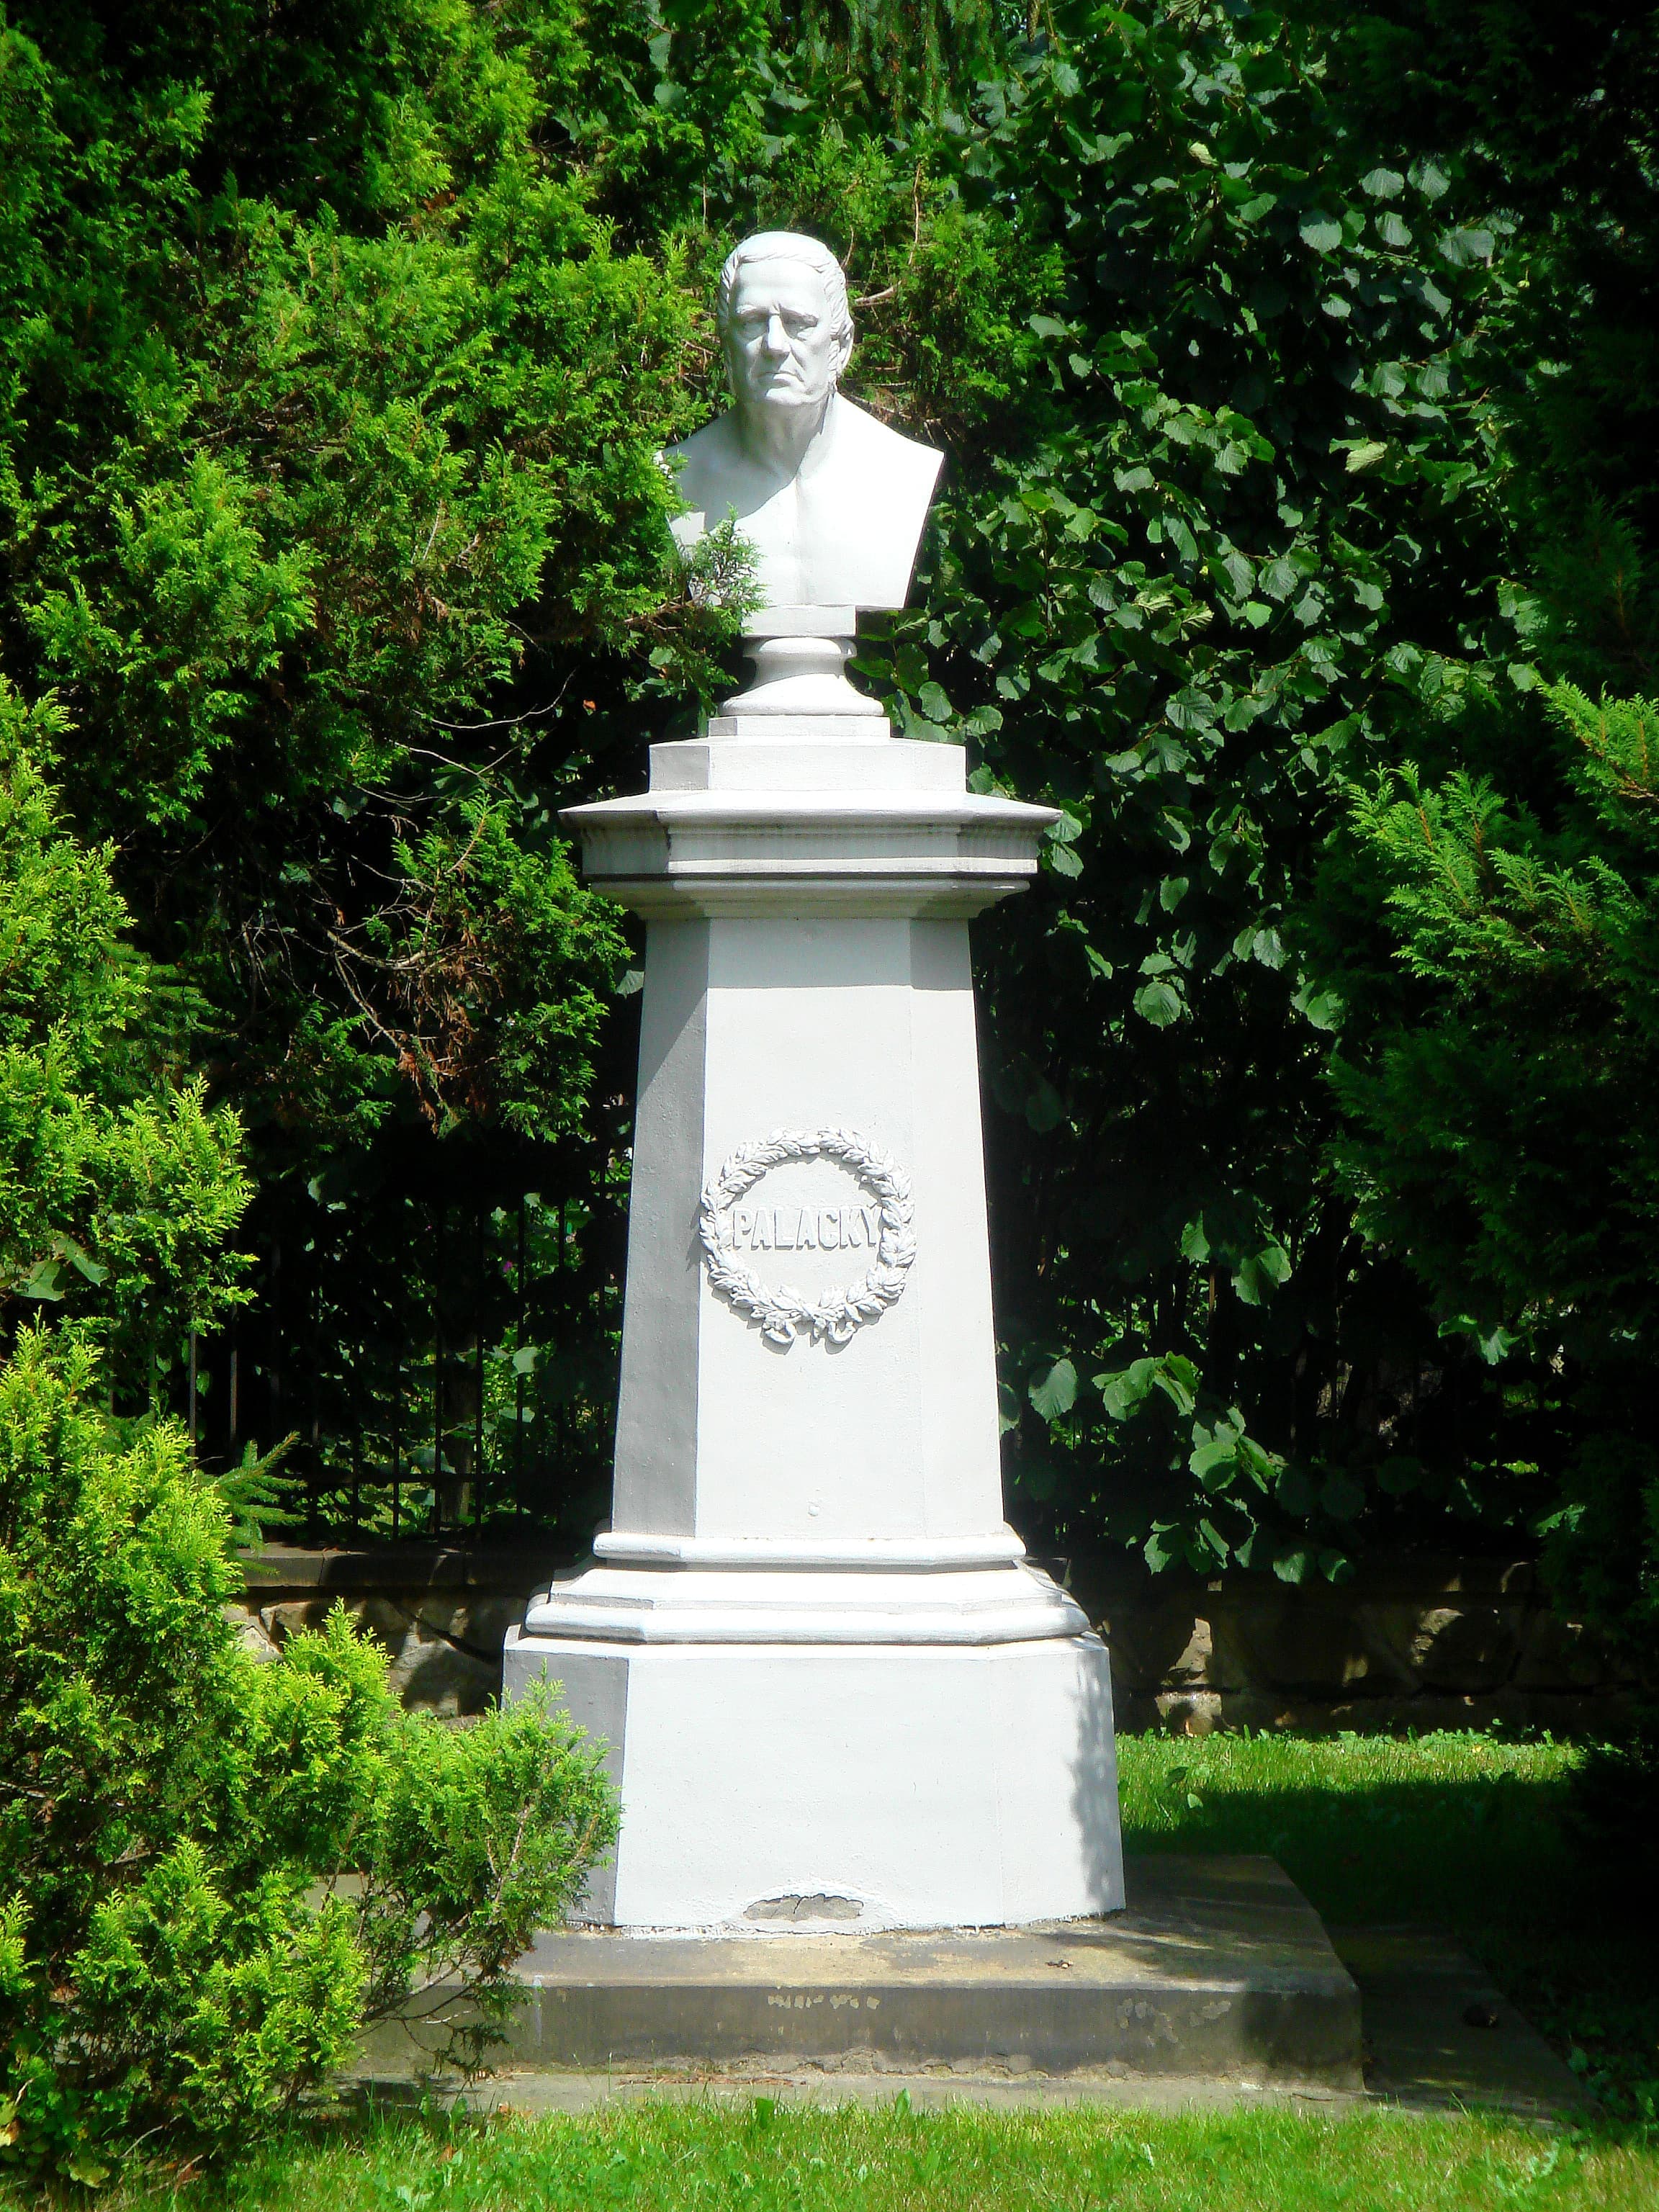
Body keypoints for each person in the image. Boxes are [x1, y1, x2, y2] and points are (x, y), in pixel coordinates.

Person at [665, 231, 943, 613]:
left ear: (840, 348)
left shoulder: (903, 472)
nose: (774, 344)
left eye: (798, 322)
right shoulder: (678, 477)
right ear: (727, 348)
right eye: (751, 321)